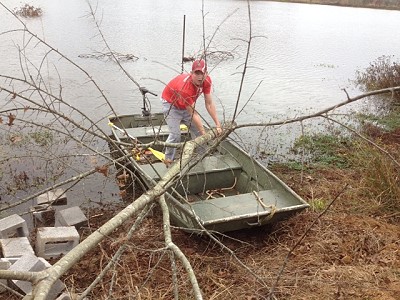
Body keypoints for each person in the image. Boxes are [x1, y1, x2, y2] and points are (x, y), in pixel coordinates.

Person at [161, 59, 222, 165]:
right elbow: (193, 113)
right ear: (191, 73)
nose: (199, 76)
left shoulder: (207, 81)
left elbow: (209, 104)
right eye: (196, 73)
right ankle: (168, 160)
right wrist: (204, 134)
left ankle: (200, 158)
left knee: (198, 132)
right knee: (175, 135)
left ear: (206, 74)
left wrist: (218, 124)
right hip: (171, 105)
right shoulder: (186, 89)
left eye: (202, 73)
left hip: (186, 106)